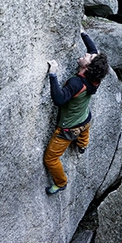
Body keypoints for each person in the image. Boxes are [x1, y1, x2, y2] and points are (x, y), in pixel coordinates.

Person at [44, 31, 109, 195]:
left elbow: (59, 99)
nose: (87, 53)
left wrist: (53, 74)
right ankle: (82, 145)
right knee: (84, 129)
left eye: (88, 57)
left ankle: (61, 182)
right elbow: (93, 49)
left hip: (68, 129)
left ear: (87, 67)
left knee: (50, 159)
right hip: (85, 120)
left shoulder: (76, 83)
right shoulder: (95, 77)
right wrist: (82, 32)